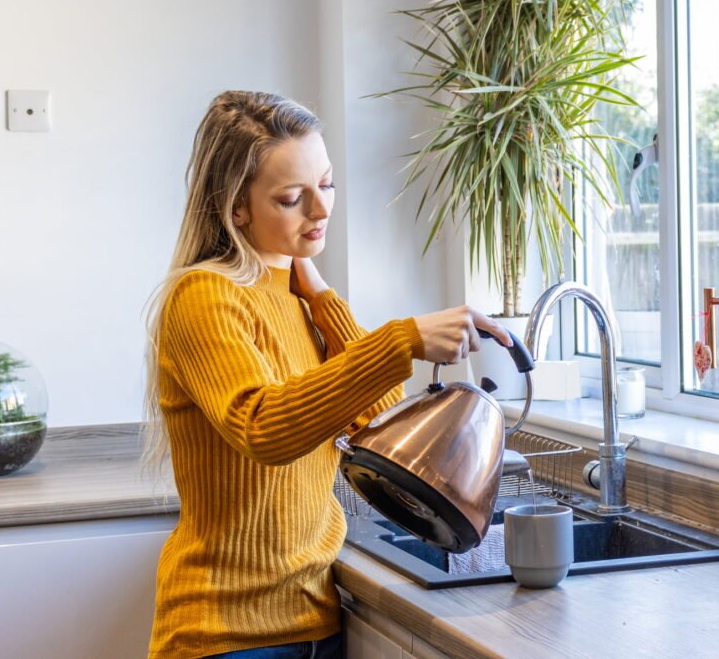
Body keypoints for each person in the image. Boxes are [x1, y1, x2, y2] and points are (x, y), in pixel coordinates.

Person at [143, 90, 509, 659]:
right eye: (293, 197)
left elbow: (377, 412)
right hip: (225, 635)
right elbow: (264, 429)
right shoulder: (205, 296)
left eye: (327, 184)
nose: (321, 209)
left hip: (315, 617)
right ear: (236, 208)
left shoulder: (295, 295)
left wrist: (318, 294)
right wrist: (403, 338)